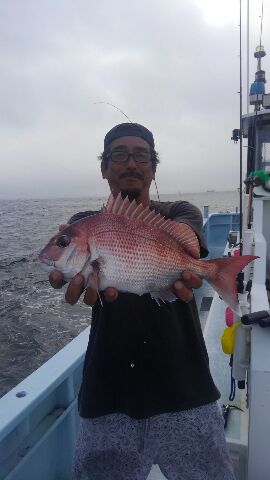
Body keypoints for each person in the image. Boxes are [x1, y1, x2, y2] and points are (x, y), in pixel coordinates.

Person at [49, 123, 235, 480]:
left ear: (153, 168)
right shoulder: (84, 224)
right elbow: (67, 269)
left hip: (187, 387)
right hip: (109, 392)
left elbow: (190, 242)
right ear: (104, 167)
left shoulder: (181, 212)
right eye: (119, 154)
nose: (131, 162)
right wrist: (67, 265)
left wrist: (192, 265)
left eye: (141, 155)